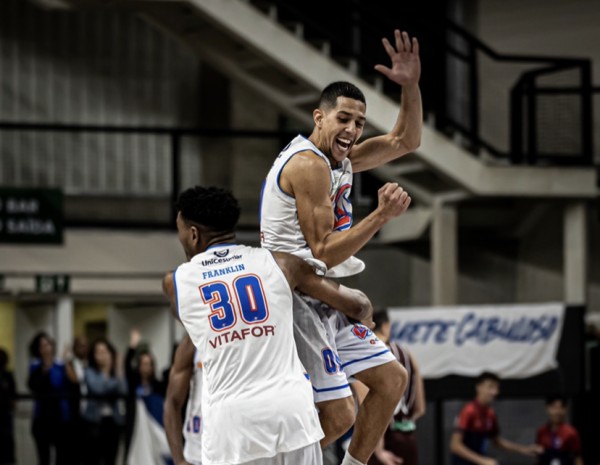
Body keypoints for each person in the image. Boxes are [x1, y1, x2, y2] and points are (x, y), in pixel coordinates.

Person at [260, 28, 421, 465]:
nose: (352, 129)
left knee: (391, 380)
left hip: (325, 295)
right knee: (337, 415)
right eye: (343, 119)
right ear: (319, 117)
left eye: (359, 122)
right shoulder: (308, 165)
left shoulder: (341, 160)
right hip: (296, 298)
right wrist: (380, 217)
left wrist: (409, 86)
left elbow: (405, 141)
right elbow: (324, 250)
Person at [162, 185, 374, 465]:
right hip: (293, 416)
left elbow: (193, 320)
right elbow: (356, 305)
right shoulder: (282, 263)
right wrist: (366, 314)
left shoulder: (175, 282)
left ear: (192, 234)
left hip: (233, 427)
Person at [366, 310, 426, 465]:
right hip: (408, 437)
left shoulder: (369, 353)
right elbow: (420, 408)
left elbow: (372, 409)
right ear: (386, 326)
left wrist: (378, 449)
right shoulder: (407, 354)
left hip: (382, 438)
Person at [450, 371, 542, 465]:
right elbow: (455, 446)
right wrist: (482, 461)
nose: (494, 392)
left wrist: (524, 449)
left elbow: (497, 441)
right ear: (479, 387)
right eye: (490, 387)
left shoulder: (491, 414)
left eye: (496, 387)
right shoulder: (468, 411)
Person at [27, 332, 73, 465]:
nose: (46, 348)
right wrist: (46, 367)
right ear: (38, 349)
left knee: (62, 457)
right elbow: (34, 385)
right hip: (42, 418)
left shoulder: (60, 365)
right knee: (44, 458)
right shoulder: (35, 366)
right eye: (42, 345)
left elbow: (66, 384)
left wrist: (66, 363)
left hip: (60, 418)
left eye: (48, 344)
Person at [82, 337, 127, 465]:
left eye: (104, 351)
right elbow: (98, 389)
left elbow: (124, 391)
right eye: (98, 352)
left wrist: (118, 370)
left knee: (111, 458)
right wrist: (108, 373)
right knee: (94, 459)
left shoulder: (116, 373)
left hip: (113, 421)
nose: (102, 355)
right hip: (94, 422)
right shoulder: (89, 372)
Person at [124, 328, 165, 461]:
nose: (146, 367)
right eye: (144, 364)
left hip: (155, 429)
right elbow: (126, 365)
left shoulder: (158, 385)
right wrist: (133, 345)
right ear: (139, 366)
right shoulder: (133, 383)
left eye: (149, 364)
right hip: (137, 429)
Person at [163, 333, 202, 465]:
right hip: (199, 449)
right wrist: (179, 459)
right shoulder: (194, 337)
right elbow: (172, 402)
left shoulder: (262, 333)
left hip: (252, 446)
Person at [535, 396, 583, 465]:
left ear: (565, 409)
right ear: (547, 408)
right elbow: (538, 458)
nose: (557, 412)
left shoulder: (571, 433)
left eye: (560, 408)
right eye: (554, 408)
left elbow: (577, 459)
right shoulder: (541, 432)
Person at [65, 335, 89, 465]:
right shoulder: (69, 363)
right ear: (74, 348)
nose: (83, 349)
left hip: (89, 414)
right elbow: (74, 381)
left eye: (85, 345)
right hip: (73, 415)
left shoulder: (91, 363)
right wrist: (66, 360)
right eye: (80, 345)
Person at [0, 348, 16, 465]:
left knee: (7, 448)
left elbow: (13, 397)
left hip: (5, 416)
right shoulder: (8, 376)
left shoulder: (8, 376)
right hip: (6, 416)